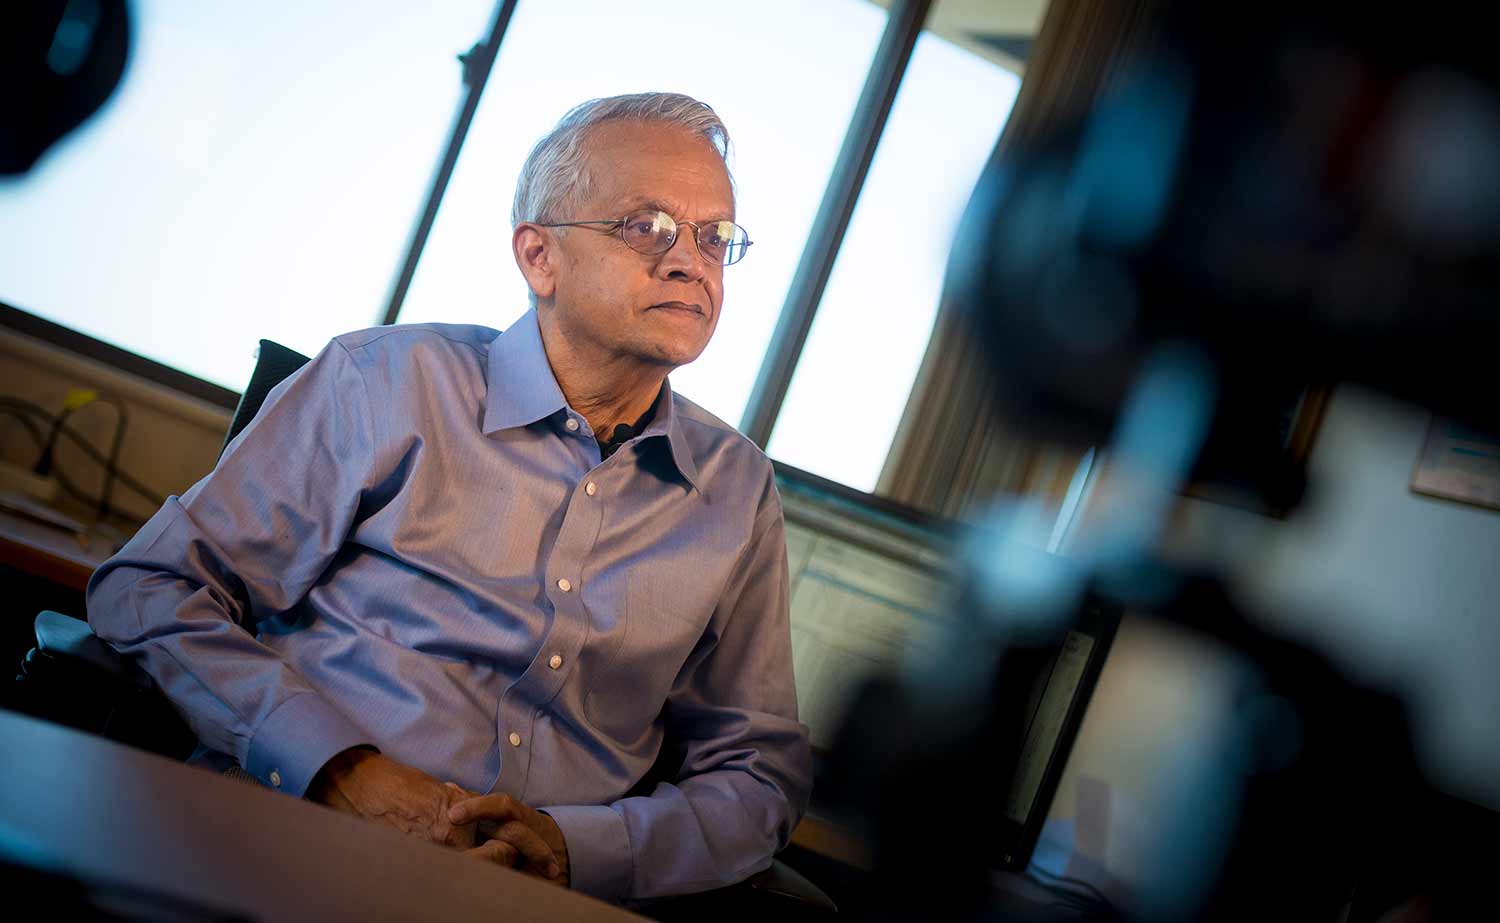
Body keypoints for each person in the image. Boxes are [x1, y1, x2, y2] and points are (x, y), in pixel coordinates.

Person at [86, 92, 812, 903]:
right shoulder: (383, 383)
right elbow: (149, 585)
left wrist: (583, 850)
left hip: (536, 902)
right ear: (539, 256)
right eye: (647, 227)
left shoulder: (737, 492)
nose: (690, 262)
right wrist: (338, 767)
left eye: (716, 237)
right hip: (291, 845)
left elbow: (757, 771)